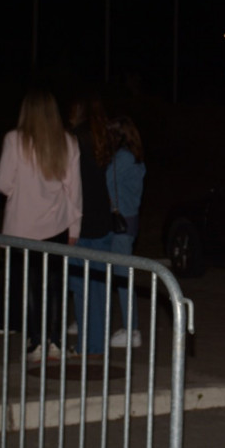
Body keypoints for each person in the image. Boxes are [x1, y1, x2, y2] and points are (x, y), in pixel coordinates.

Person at [0, 88, 81, 361]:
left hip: (22, 227)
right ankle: (55, 341)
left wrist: (19, 188)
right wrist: (75, 229)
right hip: (57, 225)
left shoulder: (14, 140)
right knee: (55, 285)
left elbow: (2, 184)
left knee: (30, 285)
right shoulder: (68, 142)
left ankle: (36, 342)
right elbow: (74, 190)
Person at [66, 94, 115, 355]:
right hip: (102, 220)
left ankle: (87, 345)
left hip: (81, 222)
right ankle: (97, 343)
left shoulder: (74, 139)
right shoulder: (103, 139)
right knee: (99, 288)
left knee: (81, 288)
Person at [105, 115, 146, 348]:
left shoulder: (122, 158)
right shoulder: (135, 158)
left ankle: (132, 329)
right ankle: (130, 327)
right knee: (120, 275)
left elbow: (106, 184)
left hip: (121, 222)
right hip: (129, 220)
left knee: (122, 277)